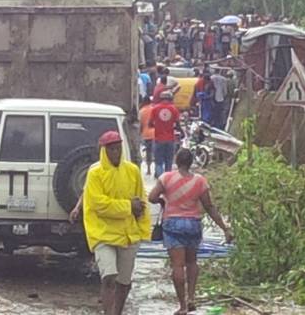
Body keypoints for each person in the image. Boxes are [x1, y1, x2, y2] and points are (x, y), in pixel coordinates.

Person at [148, 149, 232, 315]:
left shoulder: (166, 178)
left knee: (177, 265)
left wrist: (162, 200)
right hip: (193, 224)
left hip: (172, 224)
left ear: (177, 160)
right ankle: (191, 298)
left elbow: (151, 197)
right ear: (191, 162)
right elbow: (209, 207)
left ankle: (182, 306)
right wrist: (225, 229)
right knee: (192, 262)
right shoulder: (200, 181)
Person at [83, 131, 151, 315]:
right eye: (112, 149)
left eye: (119, 148)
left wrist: (144, 230)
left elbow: (141, 201)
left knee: (124, 281)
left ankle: (117, 312)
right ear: (104, 151)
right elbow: (99, 204)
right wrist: (128, 206)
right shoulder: (95, 173)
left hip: (127, 233)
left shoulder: (132, 170)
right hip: (102, 232)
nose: (116, 153)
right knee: (109, 276)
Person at [149, 90, 181, 178]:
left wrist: (157, 125)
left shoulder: (155, 109)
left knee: (158, 162)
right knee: (169, 161)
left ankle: (160, 180)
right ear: (170, 98)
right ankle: (168, 180)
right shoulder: (174, 109)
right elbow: (178, 125)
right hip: (170, 139)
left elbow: (150, 124)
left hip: (159, 139)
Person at [139, 96, 155, 175]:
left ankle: (149, 170)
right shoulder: (154, 109)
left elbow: (141, 125)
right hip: (155, 134)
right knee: (155, 152)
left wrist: (140, 133)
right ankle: (156, 170)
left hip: (146, 134)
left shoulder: (141, 111)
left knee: (148, 152)